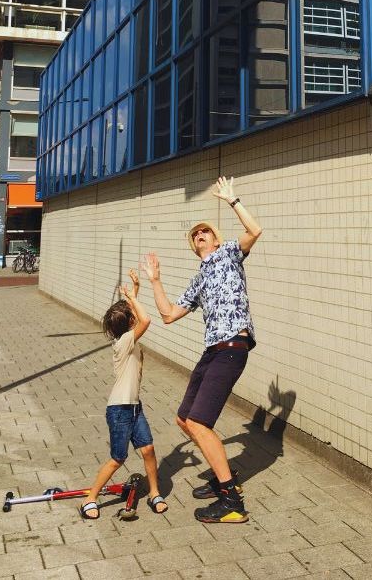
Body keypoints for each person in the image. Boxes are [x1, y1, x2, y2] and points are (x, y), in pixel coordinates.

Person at [142, 175, 262, 524]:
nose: (200, 236)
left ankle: (231, 500)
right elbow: (167, 315)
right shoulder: (199, 278)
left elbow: (255, 231)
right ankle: (223, 473)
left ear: (215, 239)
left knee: (198, 421)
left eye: (204, 232)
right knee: (184, 419)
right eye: (195, 235)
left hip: (233, 345)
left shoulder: (228, 254)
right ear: (193, 247)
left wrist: (232, 200)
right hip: (212, 350)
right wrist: (155, 281)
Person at [79, 269, 168, 520]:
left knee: (148, 449)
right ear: (129, 324)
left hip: (133, 406)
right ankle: (90, 498)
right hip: (119, 410)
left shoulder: (126, 337)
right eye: (131, 317)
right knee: (118, 458)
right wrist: (134, 297)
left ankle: (154, 493)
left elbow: (134, 316)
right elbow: (146, 320)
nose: (134, 318)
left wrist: (134, 289)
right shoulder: (125, 341)